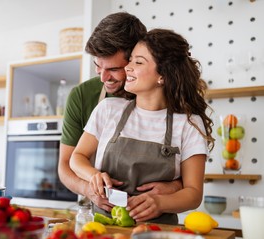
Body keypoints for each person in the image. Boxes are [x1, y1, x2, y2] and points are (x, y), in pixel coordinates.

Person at [69, 28, 215, 225]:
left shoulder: (188, 123)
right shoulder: (108, 109)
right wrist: (93, 176)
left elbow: (194, 193)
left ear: (162, 76)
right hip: (102, 228)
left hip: (157, 233)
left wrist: (160, 203)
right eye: (130, 60)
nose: (127, 67)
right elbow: (77, 158)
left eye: (138, 62)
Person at [58, 12, 183, 213]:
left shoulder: (169, 99)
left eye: (115, 69)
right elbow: (66, 165)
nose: (103, 78)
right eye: (98, 66)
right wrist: (90, 190)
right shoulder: (83, 96)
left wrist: (175, 187)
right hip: (99, 212)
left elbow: (190, 175)